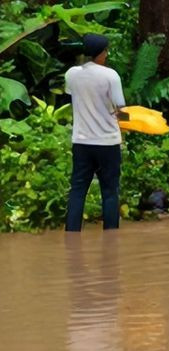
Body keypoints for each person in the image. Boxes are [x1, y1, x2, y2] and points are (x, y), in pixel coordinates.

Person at [65, 32, 126, 232]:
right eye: (106, 50)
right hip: (108, 142)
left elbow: (73, 95)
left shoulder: (72, 74)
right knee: (109, 192)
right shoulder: (110, 75)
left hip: (81, 141)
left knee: (78, 190)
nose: (107, 54)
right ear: (100, 53)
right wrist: (128, 123)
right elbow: (120, 110)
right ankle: (111, 239)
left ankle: (72, 234)